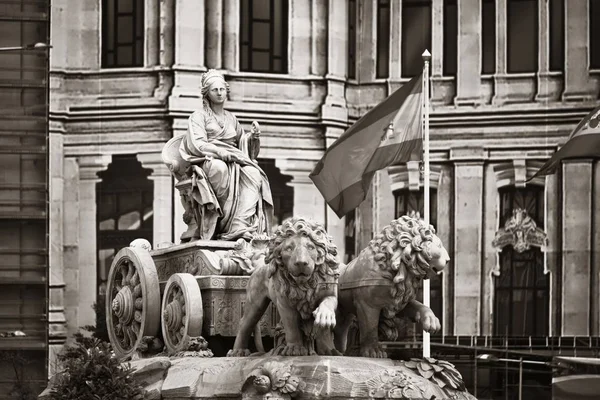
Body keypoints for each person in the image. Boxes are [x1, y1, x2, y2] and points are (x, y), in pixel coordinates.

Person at [179, 69, 274, 241]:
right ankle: (219, 222)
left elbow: (242, 145)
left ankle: (238, 224)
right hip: (208, 160)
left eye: (222, 89)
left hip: (234, 160)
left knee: (254, 173)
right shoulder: (198, 117)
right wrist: (219, 152)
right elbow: (198, 144)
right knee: (219, 168)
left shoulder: (231, 118)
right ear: (207, 93)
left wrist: (253, 138)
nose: (219, 93)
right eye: (215, 90)